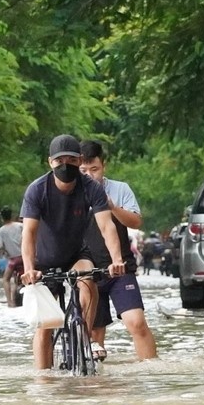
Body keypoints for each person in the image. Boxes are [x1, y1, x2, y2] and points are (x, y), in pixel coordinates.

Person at [20, 134, 126, 369]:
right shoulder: (37, 190)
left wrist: (116, 260)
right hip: (43, 261)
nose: (65, 165)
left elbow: (107, 225)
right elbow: (28, 233)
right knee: (45, 327)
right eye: (60, 161)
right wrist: (29, 270)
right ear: (50, 162)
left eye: (70, 159)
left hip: (76, 255)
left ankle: (84, 340)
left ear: (79, 161)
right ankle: (43, 378)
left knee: (88, 280)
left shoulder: (91, 188)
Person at [80, 139, 157, 361]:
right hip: (87, 271)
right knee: (94, 334)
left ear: (103, 166)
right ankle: (98, 386)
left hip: (120, 269)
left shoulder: (120, 189)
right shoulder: (71, 194)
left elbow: (135, 222)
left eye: (94, 169)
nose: (89, 175)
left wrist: (112, 206)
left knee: (137, 322)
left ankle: (151, 371)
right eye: (83, 170)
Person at [0, 206, 24, 306]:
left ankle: (10, 302)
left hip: (13, 260)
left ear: (1, 218)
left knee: (6, 279)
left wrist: (3, 253)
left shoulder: (1, 230)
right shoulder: (20, 226)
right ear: (11, 215)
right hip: (25, 258)